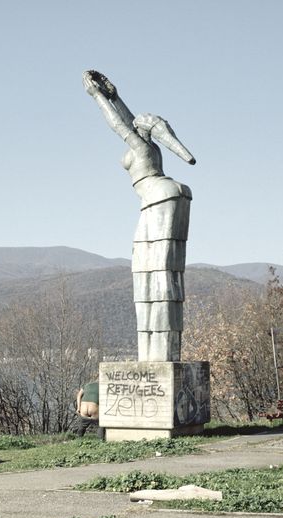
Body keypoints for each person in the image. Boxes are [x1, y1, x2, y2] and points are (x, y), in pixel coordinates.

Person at [83, 70, 196, 362]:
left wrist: (97, 97)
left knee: (152, 271)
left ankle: (156, 353)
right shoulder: (150, 147)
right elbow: (131, 120)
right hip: (169, 194)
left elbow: (118, 124)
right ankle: (160, 351)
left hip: (158, 198)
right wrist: (115, 95)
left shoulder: (141, 145)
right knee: (162, 271)